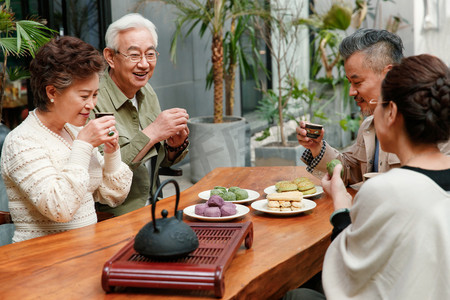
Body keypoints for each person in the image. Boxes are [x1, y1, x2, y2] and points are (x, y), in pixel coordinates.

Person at [284, 54, 450, 299]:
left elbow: (348, 276)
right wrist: (318, 149)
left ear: (391, 112)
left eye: (380, 104)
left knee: (296, 296)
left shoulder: (386, 190)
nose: (354, 93)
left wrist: (342, 207)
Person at [0, 36, 133, 243]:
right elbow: (59, 208)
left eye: (95, 95)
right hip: (43, 262)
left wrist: (111, 152)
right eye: (84, 96)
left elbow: (113, 196)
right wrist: (84, 145)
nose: (91, 104)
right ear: (52, 92)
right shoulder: (21, 141)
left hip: (85, 251)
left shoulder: (72, 130)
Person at [296, 29, 450, 185]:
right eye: (349, 83)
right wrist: (317, 148)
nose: (351, 92)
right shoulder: (369, 125)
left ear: (388, 75)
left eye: (357, 82)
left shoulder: (428, 122)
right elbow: (352, 172)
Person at [92, 13, 189, 216]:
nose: (144, 64)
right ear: (110, 57)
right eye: (134, 55)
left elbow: (161, 161)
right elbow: (103, 175)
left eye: (150, 54)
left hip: (155, 205)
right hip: (113, 216)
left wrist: (174, 145)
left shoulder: (147, 91)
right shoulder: (93, 98)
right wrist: (152, 133)